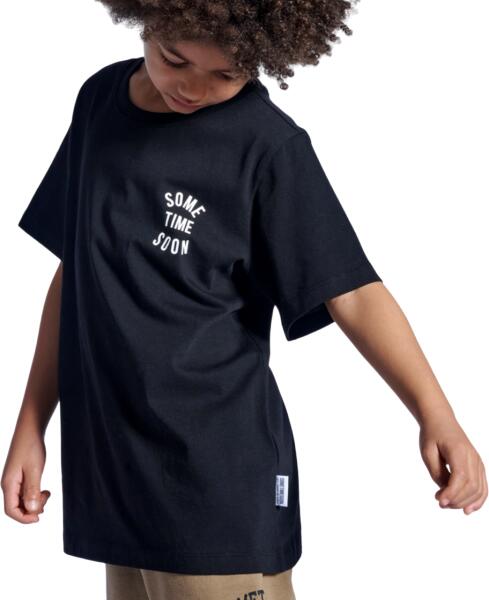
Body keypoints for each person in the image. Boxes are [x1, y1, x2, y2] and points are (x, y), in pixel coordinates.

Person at [3, 1, 487, 599]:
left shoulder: (267, 145)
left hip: (213, 481)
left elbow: (354, 292)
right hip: (114, 474)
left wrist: (437, 415)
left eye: (226, 74)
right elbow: (78, 270)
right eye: (174, 59)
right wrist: (31, 423)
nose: (193, 88)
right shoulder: (100, 101)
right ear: (145, 20)